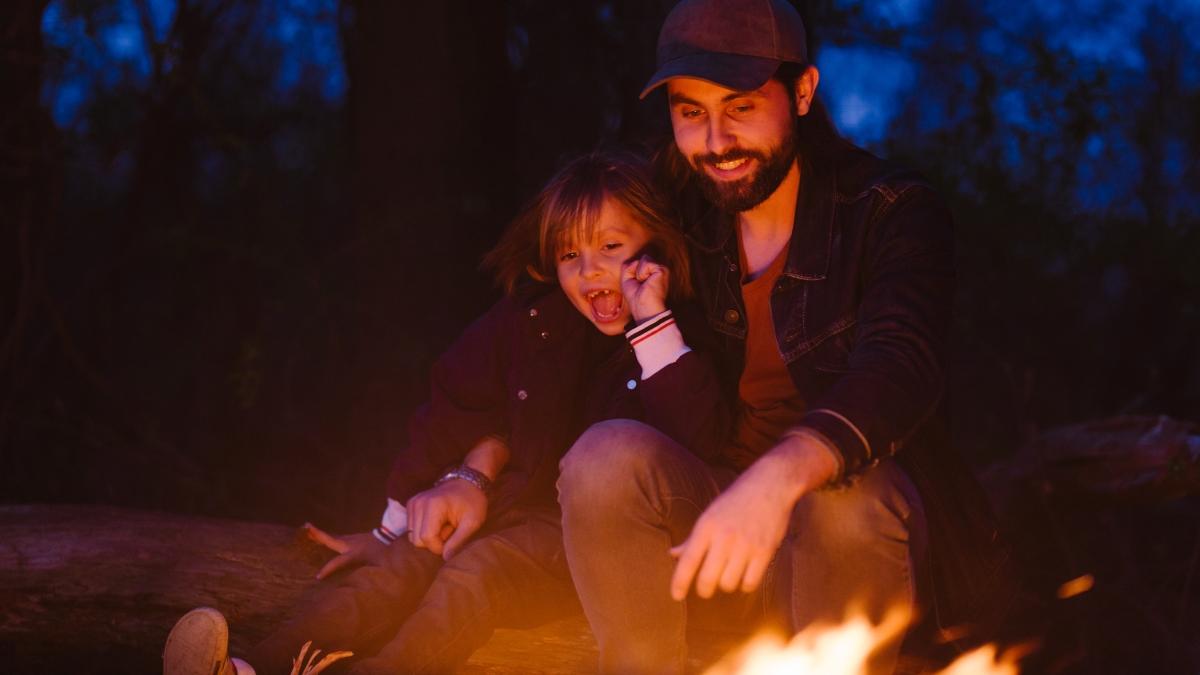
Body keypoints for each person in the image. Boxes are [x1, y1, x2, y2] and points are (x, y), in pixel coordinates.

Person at [556, 1, 1008, 674]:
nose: (715, 141)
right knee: (601, 459)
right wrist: (468, 467)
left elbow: (900, 362)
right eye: (690, 112)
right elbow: (551, 313)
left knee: (844, 503)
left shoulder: (891, 210)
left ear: (801, 92)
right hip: (717, 521)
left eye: (739, 107)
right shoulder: (675, 209)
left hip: (859, 542)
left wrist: (778, 478)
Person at [162, 150, 731, 675]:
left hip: (591, 549)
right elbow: (456, 399)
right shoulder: (534, 321)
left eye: (611, 247)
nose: (589, 272)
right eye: (569, 255)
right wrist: (392, 527)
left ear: (655, 245)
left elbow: (694, 441)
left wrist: (653, 319)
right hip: (510, 509)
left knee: (470, 581)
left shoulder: (682, 333)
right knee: (405, 564)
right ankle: (250, 668)